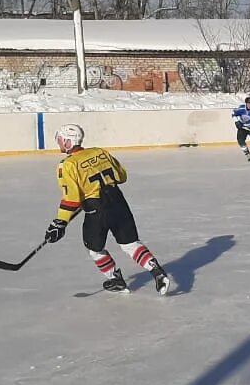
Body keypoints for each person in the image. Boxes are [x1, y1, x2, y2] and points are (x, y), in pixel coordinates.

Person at [44, 124, 174, 295]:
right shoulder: (100, 152)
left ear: (69, 142)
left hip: (96, 210)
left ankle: (115, 279)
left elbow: (72, 199)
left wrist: (59, 222)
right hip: (118, 201)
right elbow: (122, 176)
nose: (59, 143)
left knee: (95, 249)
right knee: (130, 244)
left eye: (60, 140)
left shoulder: (66, 165)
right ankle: (157, 272)